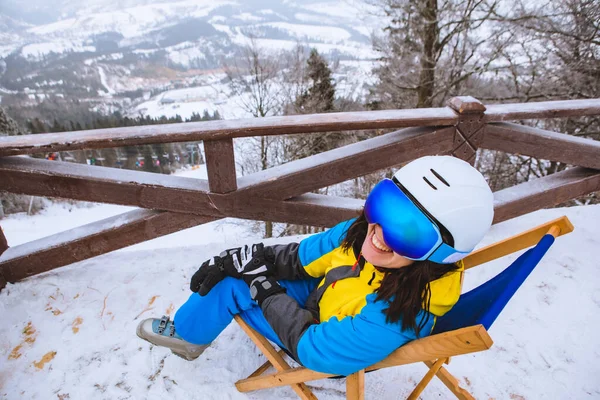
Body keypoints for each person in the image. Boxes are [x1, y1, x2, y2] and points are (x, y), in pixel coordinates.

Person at [136, 156, 494, 376]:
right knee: (238, 271)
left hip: (322, 337)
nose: (380, 234)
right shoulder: (360, 234)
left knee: (234, 286)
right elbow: (304, 257)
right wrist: (250, 260)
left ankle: (187, 337)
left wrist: (264, 289)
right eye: (385, 206)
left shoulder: (400, 313)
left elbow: (315, 350)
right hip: (326, 295)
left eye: (409, 234)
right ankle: (199, 319)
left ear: (439, 254)